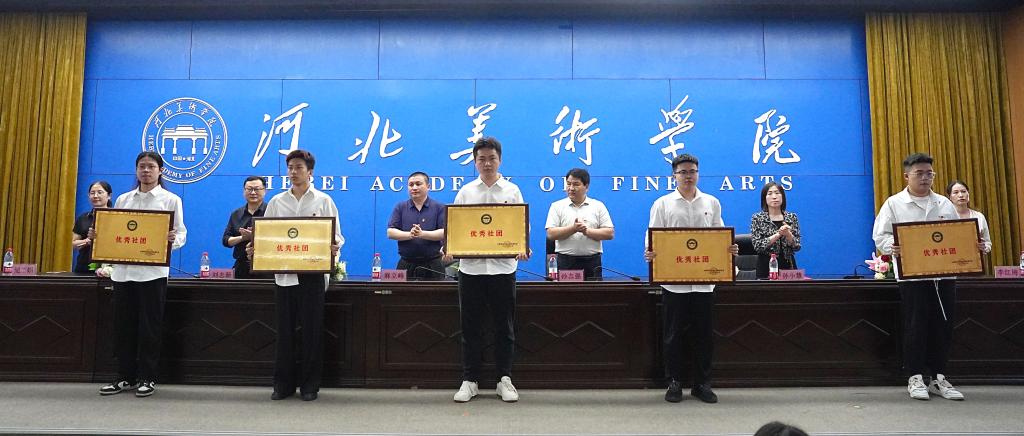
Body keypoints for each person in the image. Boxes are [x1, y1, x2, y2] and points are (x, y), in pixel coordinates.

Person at [872, 152, 984, 401]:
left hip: (944, 275)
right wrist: (894, 246)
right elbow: (880, 236)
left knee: (942, 325)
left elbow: (956, 234)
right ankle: (915, 377)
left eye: (929, 173)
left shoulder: (944, 203)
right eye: (919, 173)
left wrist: (971, 245)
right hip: (913, 277)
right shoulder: (894, 204)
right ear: (907, 176)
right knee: (916, 325)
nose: (925, 178)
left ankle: (938, 377)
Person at [644, 153, 738, 404]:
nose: (688, 176)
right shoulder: (662, 204)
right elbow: (652, 237)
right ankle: (674, 382)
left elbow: (719, 235)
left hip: (705, 283)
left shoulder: (711, 202)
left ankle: (702, 384)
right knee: (673, 335)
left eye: (692, 171)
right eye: (683, 172)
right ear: (674, 175)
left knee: (704, 335)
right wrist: (650, 252)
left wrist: (729, 248)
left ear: (698, 173)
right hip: (674, 283)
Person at [251, 150, 343, 402]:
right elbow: (266, 235)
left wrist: (332, 248)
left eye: (299, 167)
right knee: (285, 331)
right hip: (284, 275)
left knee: (312, 331)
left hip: (312, 276)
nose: (293, 171)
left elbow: (337, 236)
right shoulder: (277, 202)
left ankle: (310, 385)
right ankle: (283, 384)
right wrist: (257, 247)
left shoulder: (324, 200)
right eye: (290, 167)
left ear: (310, 171)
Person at [443, 137, 528, 403]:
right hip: (471, 270)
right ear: (475, 161)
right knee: (470, 327)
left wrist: (522, 246)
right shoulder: (466, 192)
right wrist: (450, 247)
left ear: (499, 160)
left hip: (503, 269)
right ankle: (470, 380)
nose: (487, 163)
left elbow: (521, 226)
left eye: (492, 158)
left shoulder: (512, 191)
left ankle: (504, 379)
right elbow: (455, 228)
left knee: (505, 327)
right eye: (482, 159)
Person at [96, 152, 186, 398]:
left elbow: (181, 234)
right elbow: (115, 231)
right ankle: (124, 377)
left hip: (152, 274)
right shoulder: (123, 199)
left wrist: (171, 240)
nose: (146, 171)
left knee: (150, 328)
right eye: (142, 166)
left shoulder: (171, 200)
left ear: (160, 171)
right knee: (123, 327)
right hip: (123, 274)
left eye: (151, 167)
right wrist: (99, 236)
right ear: (136, 170)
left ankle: (148, 377)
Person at [545, 168, 614, 280]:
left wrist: (586, 231)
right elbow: (551, 234)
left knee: (594, 291)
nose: (571, 188)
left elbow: (609, 233)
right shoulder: (557, 206)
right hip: (566, 263)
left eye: (576, 184)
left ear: (586, 186)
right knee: (568, 291)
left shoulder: (598, 206)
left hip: (592, 263)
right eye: (568, 184)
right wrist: (573, 229)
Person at [386, 171, 446, 280]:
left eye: (418, 184)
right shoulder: (400, 207)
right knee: (400, 292)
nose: (414, 188)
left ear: (428, 186)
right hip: (406, 263)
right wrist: (410, 234)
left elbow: (444, 232)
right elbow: (390, 232)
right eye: (411, 185)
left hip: (434, 264)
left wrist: (422, 234)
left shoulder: (439, 207)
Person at [749, 181, 801, 278]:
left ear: (782, 196)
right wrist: (778, 234)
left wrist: (788, 234)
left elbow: (797, 246)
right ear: (764, 198)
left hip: (788, 266)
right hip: (766, 266)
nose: (774, 197)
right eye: (770, 194)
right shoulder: (757, 218)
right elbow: (758, 246)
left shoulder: (791, 217)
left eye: (777, 193)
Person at [222, 176, 268, 279]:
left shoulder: (271, 211)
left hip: (266, 266)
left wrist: (254, 236)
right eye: (249, 189)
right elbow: (226, 240)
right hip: (241, 267)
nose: (253, 192)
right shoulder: (236, 214)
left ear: (265, 191)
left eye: (257, 189)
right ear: (244, 191)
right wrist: (242, 238)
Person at [72, 181, 113, 274]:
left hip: (108, 268)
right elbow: (74, 244)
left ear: (109, 196)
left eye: (100, 192)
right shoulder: (83, 218)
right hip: (84, 267)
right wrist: (87, 241)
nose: (95, 196)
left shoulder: (116, 217)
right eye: (92, 193)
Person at [946, 180, 992, 255]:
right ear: (949, 197)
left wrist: (984, 247)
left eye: (963, 191)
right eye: (956, 192)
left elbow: (987, 242)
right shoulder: (945, 217)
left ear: (968, 194)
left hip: (976, 258)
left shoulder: (979, 216)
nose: (961, 195)